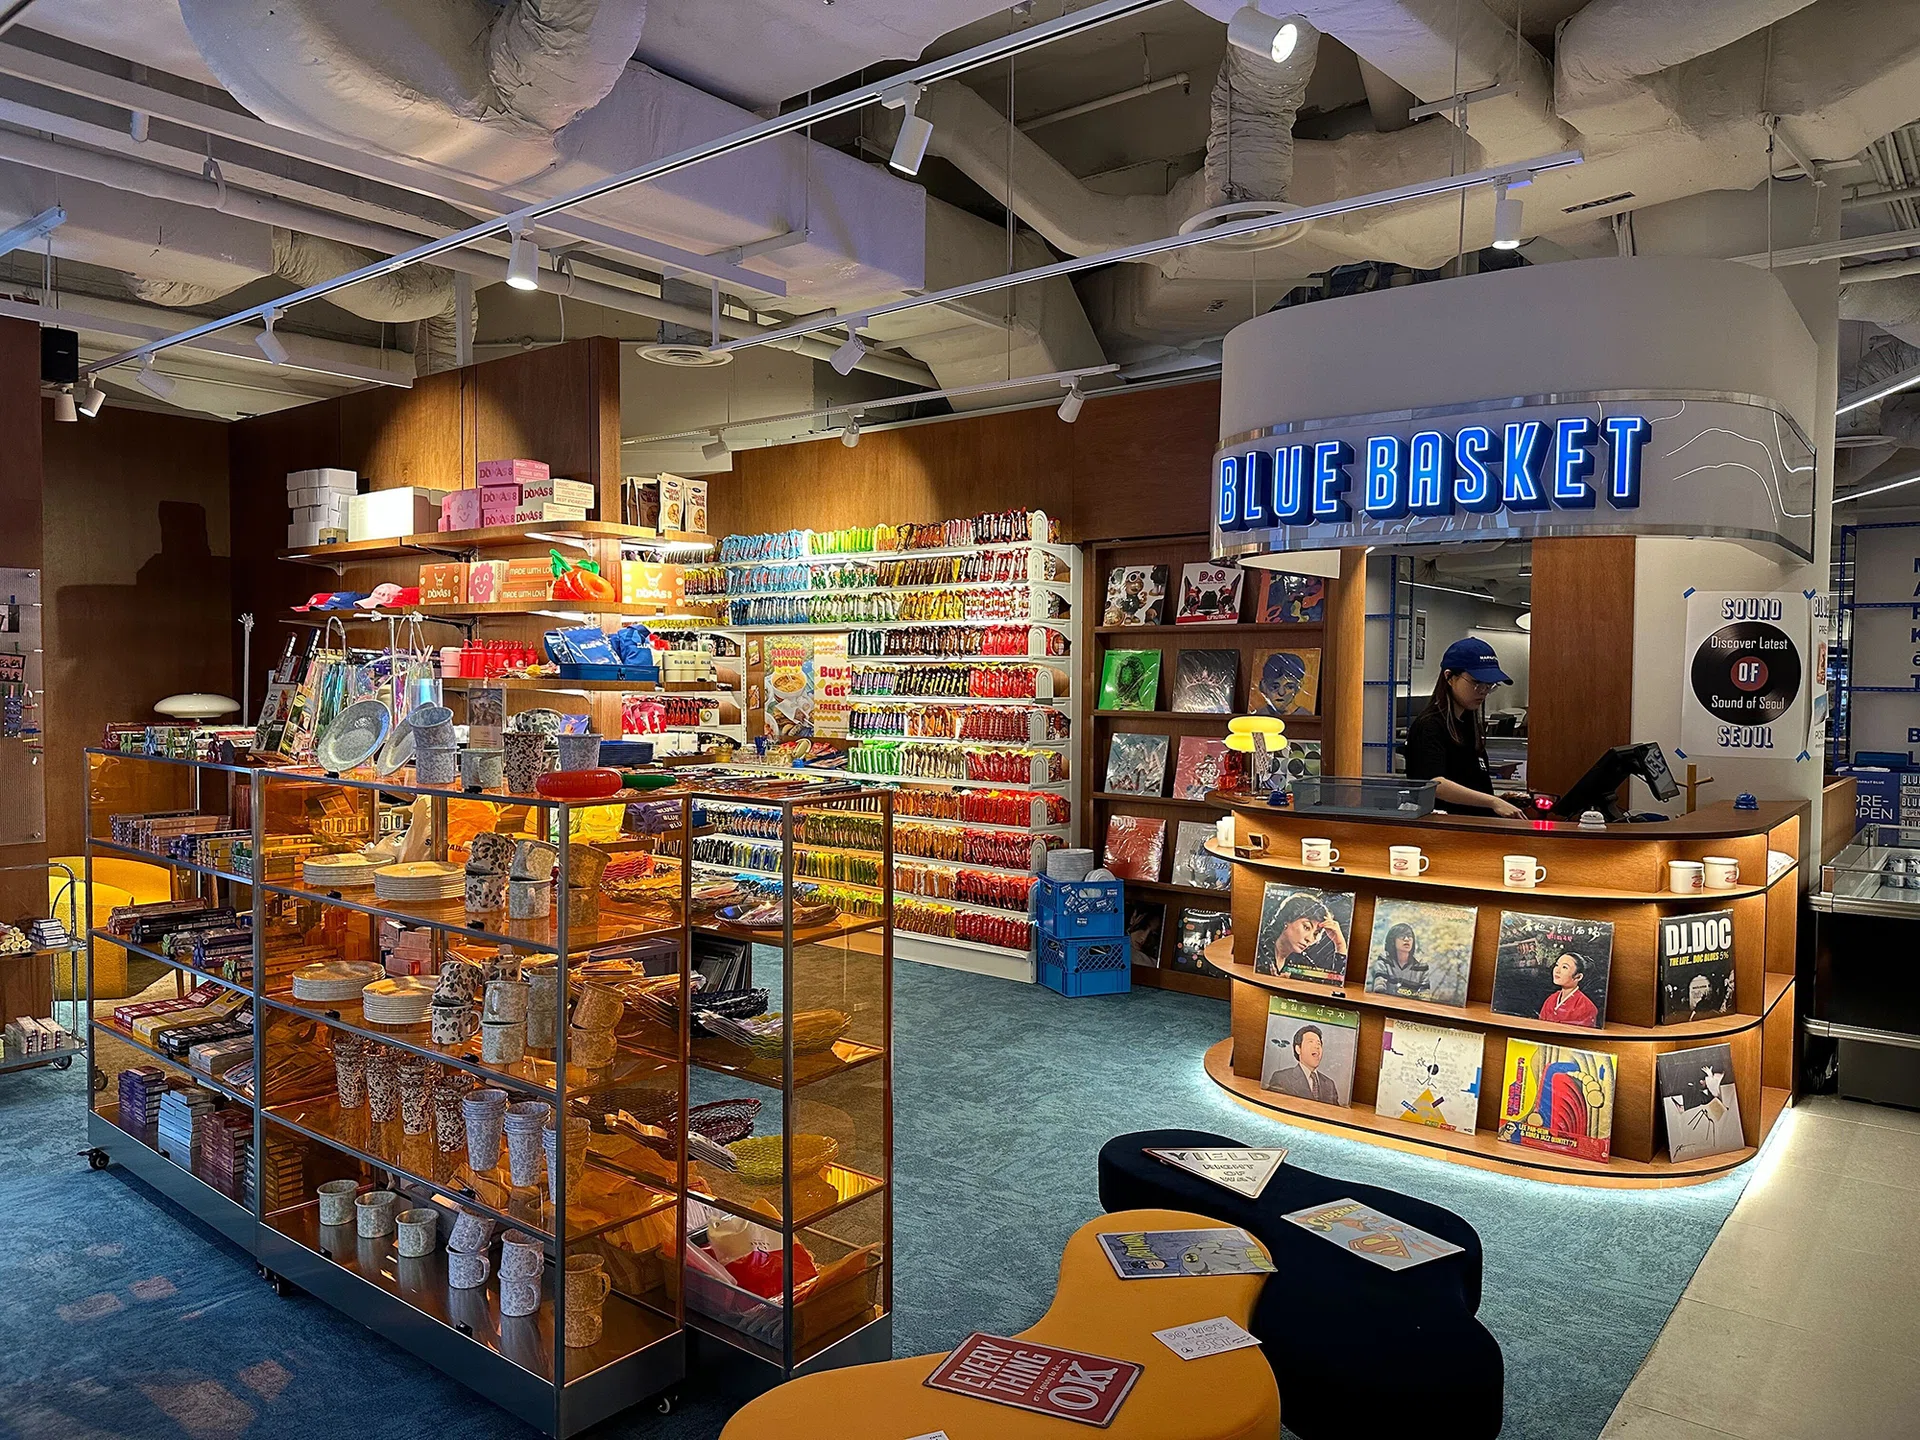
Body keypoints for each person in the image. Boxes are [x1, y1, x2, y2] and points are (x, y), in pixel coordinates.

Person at [1404, 637, 1525, 818]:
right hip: (1447, 831)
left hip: (1477, 827)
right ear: (1449, 677)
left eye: (1489, 685)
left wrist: (1500, 799)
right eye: (1477, 683)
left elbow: (1471, 782)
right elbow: (1435, 784)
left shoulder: (1467, 723)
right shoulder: (1430, 726)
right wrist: (1493, 801)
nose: (1484, 691)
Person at [1257, 891, 1349, 982]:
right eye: (1306, 927)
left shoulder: (1302, 962)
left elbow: (1334, 984)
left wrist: (1340, 945)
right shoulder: (1258, 951)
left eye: (1316, 933)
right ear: (1287, 920)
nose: (1309, 939)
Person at [1267, 1024, 1343, 1104]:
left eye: (1319, 1044)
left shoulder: (1329, 1084)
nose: (1317, 1047)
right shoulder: (1281, 1078)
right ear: (1298, 1049)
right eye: (1311, 1042)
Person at [1538, 950, 1600, 1027]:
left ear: (1578, 977)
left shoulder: (1586, 1007)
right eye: (1557, 965)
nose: (1557, 970)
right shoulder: (1551, 999)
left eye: (1564, 967)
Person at [1369, 921, 1430, 999]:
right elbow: (1379, 987)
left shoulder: (1422, 967)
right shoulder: (1384, 961)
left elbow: (1425, 996)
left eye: (1409, 936)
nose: (1407, 939)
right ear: (1393, 941)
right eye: (1402, 936)